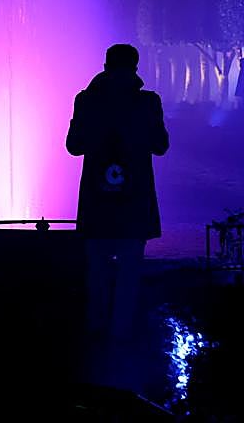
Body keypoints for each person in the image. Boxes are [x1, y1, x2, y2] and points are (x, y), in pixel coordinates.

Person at [66, 43, 169, 340]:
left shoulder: (86, 101)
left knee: (96, 274)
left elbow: (74, 146)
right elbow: (161, 146)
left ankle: (95, 334)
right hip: (134, 203)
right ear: (135, 67)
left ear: (105, 66)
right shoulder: (148, 102)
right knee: (129, 276)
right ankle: (121, 338)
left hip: (97, 203)